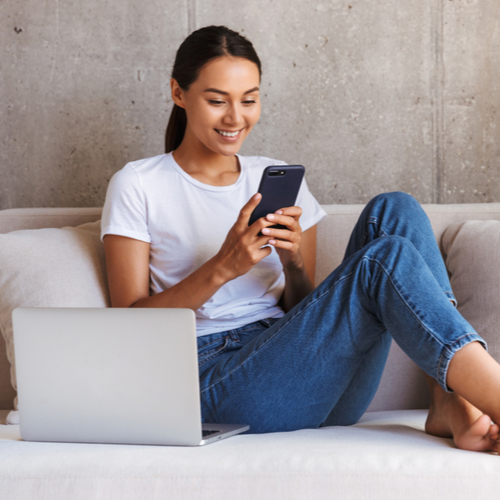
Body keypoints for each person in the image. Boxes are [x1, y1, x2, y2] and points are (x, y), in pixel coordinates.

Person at [102, 25, 500, 452]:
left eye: (249, 100)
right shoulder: (138, 184)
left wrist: (292, 264)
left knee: (395, 209)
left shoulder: (273, 174)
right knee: (383, 259)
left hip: (307, 373)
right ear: (178, 93)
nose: (235, 118)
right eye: (217, 101)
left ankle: (447, 400)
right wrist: (223, 268)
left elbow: (300, 307)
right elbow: (131, 325)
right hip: (218, 386)